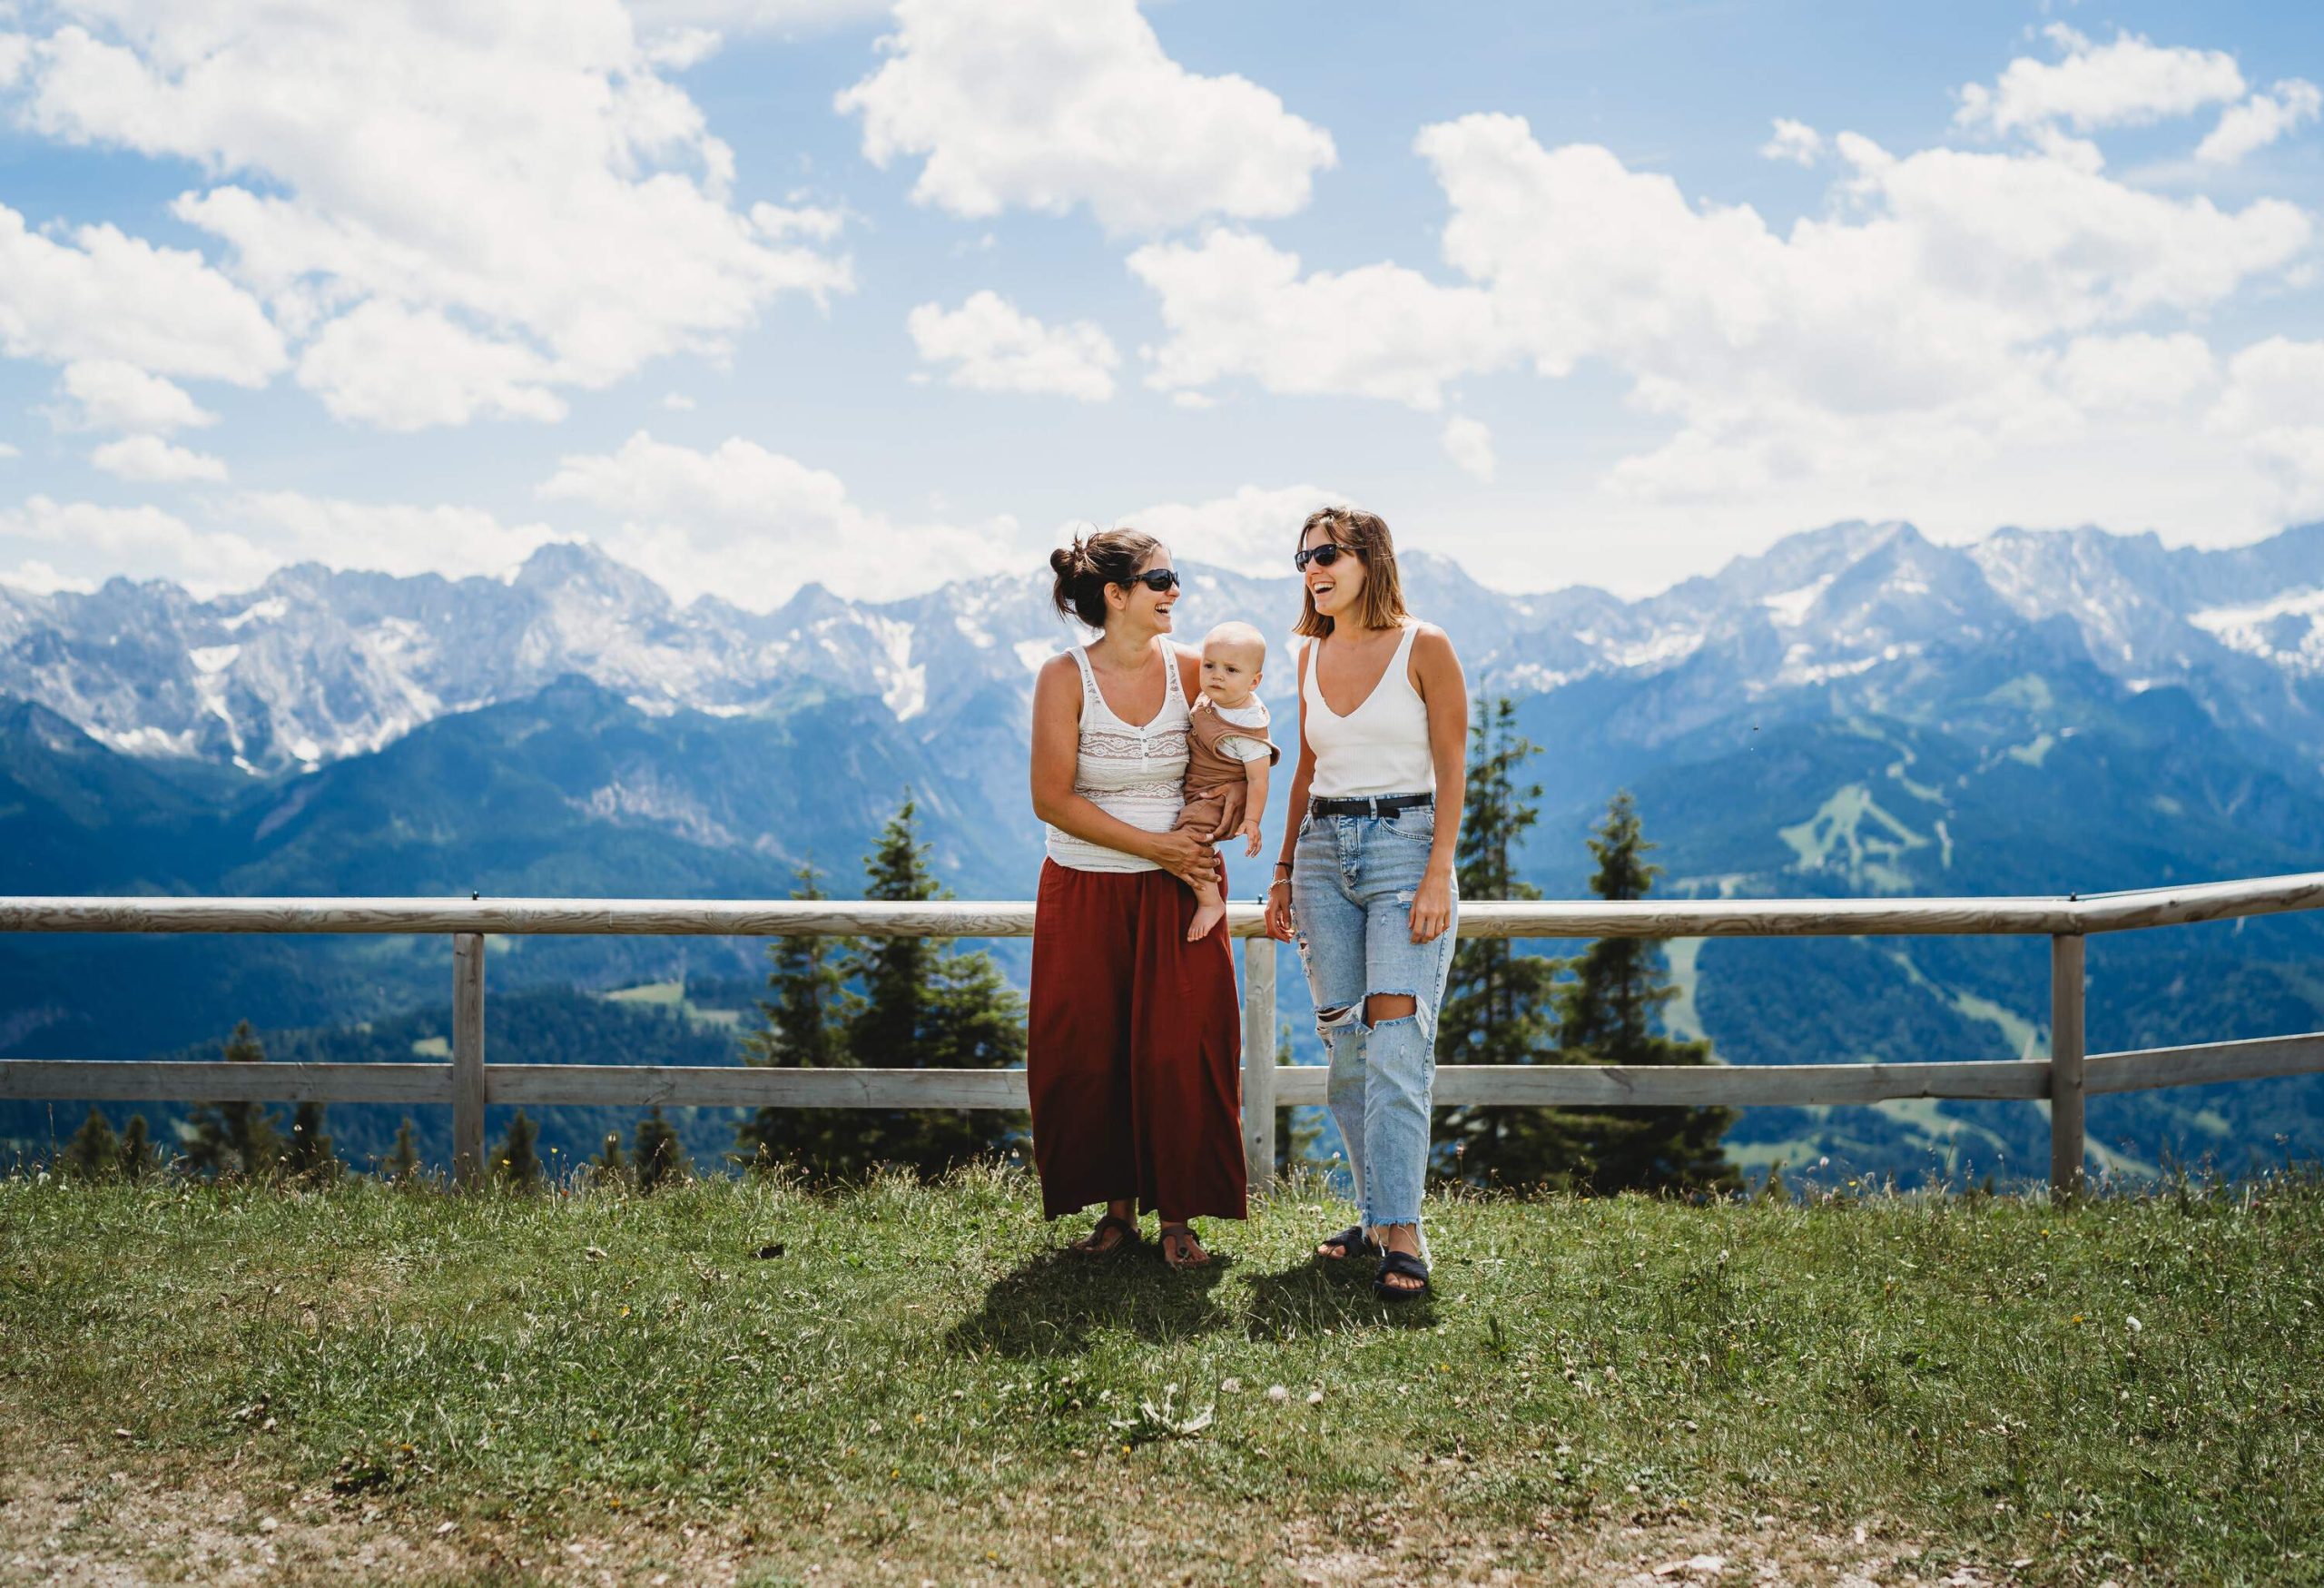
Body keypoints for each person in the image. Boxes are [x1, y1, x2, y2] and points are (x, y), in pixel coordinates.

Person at [1027, 529, 1249, 1270]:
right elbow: (1050, 799)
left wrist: (1220, 814)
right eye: (1160, 579)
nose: (1174, 591)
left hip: (1180, 892)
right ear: (1115, 596)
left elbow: (1235, 756)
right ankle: (1116, 1211)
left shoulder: (1195, 671)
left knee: (1182, 1049)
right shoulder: (1063, 678)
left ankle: (1180, 1216)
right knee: (1091, 1049)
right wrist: (1154, 845)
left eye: (1174, 576)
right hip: (1084, 887)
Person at [1264, 506, 1467, 1300]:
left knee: (1396, 1044)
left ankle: (1404, 1231)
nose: (1312, 569)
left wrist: (1437, 873)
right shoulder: (1308, 652)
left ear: (1369, 558)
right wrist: (1282, 869)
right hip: (1321, 855)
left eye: (1327, 554)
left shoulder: (1426, 645)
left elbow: (1452, 766)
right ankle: (1375, 1215)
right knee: (1347, 1048)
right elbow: (1307, 767)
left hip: (1406, 847)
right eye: (1303, 556)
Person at [1177, 621, 1277, 942]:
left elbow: (1259, 779)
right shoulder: (1214, 701)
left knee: (1189, 840)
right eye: (1209, 666)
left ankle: (1210, 900)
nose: (1217, 675)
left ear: (1254, 681)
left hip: (1214, 799)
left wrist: (1251, 819)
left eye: (1231, 670)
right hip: (1196, 787)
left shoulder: (1248, 728)